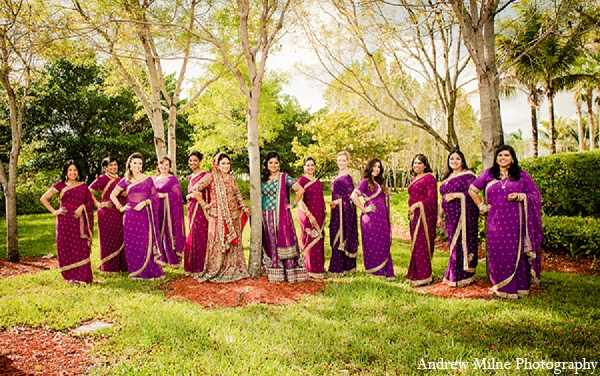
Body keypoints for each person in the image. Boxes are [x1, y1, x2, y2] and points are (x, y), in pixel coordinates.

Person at [468, 145, 542, 298]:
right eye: (500, 155)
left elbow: (535, 196)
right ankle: (500, 286)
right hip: (495, 223)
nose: (503, 157)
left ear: (513, 158)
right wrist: (481, 205)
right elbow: (472, 190)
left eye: (506, 155)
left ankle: (519, 287)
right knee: (498, 253)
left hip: (516, 223)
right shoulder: (489, 174)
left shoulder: (522, 176)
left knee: (517, 252)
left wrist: (520, 196)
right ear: (496, 158)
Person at [192, 152, 251, 283]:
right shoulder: (211, 177)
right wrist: (204, 204)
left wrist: (245, 207)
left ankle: (233, 269)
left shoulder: (231, 179)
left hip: (233, 216)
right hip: (217, 217)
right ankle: (216, 269)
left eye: (228, 163)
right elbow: (195, 189)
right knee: (218, 243)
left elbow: (237, 195)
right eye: (223, 163)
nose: (226, 166)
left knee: (234, 244)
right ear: (217, 165)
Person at [110, 152, 164, 279]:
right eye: (135, 163)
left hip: (144, 214)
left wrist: (145, 203)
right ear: (130, 164)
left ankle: (149, 270)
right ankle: (136, 272)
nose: (137, 166)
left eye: (140, 163)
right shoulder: (126, 180)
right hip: (130, 216)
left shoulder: (148, 179)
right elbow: (113, 195)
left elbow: (154, 197)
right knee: (132, 243)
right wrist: (120, 207)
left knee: (145, 241)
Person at [40, 160, 94, 284]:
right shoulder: (60, 185)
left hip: (79, 221)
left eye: (75, 170)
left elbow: (90, 202)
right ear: (66, 172)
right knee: (66, 246)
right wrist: (54, 211)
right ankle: (70, 276)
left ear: (78, 172)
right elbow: (43, 198)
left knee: (81, 247)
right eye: (70, 170)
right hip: (64, 221)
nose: (73, 172)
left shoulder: (83, 186)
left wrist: (82, 207)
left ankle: (82, 276)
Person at [261, 151, 308, 283]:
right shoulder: (262, 178)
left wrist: (292, 204)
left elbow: (300, 190)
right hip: (266, 214)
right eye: (270, 162)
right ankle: (274, 269)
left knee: (284, 239)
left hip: (281, 215)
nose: (273, 165)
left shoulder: (284, 177)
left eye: (276, 162)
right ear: (266, 164)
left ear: (279, 164)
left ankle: (289, 271)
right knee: (270, 239)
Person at [437, 149, 478, 287]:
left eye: (457, 159)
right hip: (450, 216)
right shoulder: (446, 178)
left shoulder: (468, 176)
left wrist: (457, 196)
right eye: (451, 159)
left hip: (463, 214)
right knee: (452, 243)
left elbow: (473, 194)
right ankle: (453, 273)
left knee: (461, 242)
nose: (454, 161)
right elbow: (442, 198)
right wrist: (439, 215)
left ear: (462, 161)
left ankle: (463, 275)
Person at [350, 158, 394, 280]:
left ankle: (385, 270)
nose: (376, 169)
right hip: (370, 219)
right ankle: (375, 271)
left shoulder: (380, 182)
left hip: (382, 218)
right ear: (369, 168)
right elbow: (353, 196)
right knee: (373, 243)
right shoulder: (365, 181)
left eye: (379, 167)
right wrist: (364, 209)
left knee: (383, 242)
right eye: (374, 166)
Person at [89, 157, 128, 273]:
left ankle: (122, 267)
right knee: (108, 239)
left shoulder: (120, 179)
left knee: (120, 237)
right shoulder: (102, 178)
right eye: (110, 165)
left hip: (120, 211)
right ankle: (109, 268)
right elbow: (88, 191)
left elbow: (124, 194)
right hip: (107, 213)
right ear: (106, 167)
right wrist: (98, 204)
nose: (113, 167)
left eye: (115, 165)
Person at [407, 154, 438, 286]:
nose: (417, 165)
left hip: (424, 215)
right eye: (415, 163)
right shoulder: (414, 178)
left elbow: (432, 198)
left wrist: (417, 205)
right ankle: (415, 273)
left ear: (425, 165)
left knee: (422, 243)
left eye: (420, 163)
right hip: (414, 215)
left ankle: (424, 276)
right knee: (415, 244)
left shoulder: (429, 178)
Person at [295, 157, 326, 280]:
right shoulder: (301, 181)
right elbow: (299, 201)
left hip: (319, 215)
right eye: (307, 165)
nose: (310, 167)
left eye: (312, 165)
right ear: (304, 167)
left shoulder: (318, 182)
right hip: (307, 214)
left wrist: (324, 211)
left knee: (319, 241)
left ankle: (319, 269)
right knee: (310, 239)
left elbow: (321, 199)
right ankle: (310, 269)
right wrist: (309, 214)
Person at [329, 151, 358, 275]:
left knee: (342, 236)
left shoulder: (348, 177)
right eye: (339, 160)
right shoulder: (337, 175)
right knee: (334, 233)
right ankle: (337, 266)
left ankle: (343, 268)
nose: (341, 162)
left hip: (344, 211)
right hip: (336, 211)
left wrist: (338, 202)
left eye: (343, 160)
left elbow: (350, 196)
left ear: (348, 162)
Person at [154, 156, 186, 266]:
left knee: (169, 231)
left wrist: (165, 196)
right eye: (162, 164)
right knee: (157, 231)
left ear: (169, 167)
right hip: (157, 209)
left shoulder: (173, 179)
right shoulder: (154, 179)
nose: (164, 167)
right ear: (158, 165)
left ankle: (171, 258)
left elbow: (177, 196)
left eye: (166, 165)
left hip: (169, 211)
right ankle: (160, 257)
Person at [183, 151, 209, 275]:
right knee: (193, 233)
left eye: (195, 160)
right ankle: (192, 266)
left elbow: (206, 192)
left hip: (199, 207)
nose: (192, 163)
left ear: (199, 161)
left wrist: (191, 195)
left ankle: (201, 267)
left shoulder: (204, 175)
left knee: (199, 233)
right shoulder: (190, 177)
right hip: (191, 208)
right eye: (190, 160)